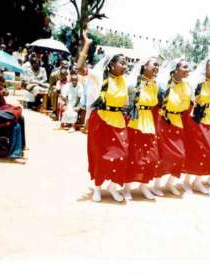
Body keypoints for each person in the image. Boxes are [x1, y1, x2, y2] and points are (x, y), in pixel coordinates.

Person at [77, 30, 128, 203]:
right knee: (100, 155)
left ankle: (113, 187)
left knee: (122, 155)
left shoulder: (124, 81)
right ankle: (97, 188)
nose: (126, 66)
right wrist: (86, 45)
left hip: (118, 121)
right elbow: (79, 69)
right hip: (101, 120)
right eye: (122, 63)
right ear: (112, 65)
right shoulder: (100, 75)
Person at [151, 58, 191, 197]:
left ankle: (170, 183)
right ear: (175, 69)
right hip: (163, 122)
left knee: (181, 156)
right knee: (162, 156)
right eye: (185, 67)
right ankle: (156, 185)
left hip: (177, 122)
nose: (188, 70)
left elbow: (186, 106)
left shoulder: (186, 86)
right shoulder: (162, 84)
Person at [124, 57, 161, 200]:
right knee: (134, 156)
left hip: (148, 122)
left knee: (151, 157)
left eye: (158, 66)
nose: (157, 68)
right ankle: (127, 187)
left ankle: (144, 185)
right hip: (135, 122)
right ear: (145, 66)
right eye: (154, 65)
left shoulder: (155, 85)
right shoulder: (133, 83)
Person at [182, 58, 210, 194]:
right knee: (195, 151)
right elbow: (189, 100)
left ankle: (197, 181)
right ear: (205, 68)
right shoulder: (196, 82)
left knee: (209, 151)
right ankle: (186, 181)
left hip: (207, 118)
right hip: (194, 118)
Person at [0, 67, 26, 164]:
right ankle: (14, 154)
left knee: (17, 120)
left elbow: (2, 104)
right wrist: (6, 109)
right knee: (12, 116)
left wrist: (10, 107)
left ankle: (19, 148)